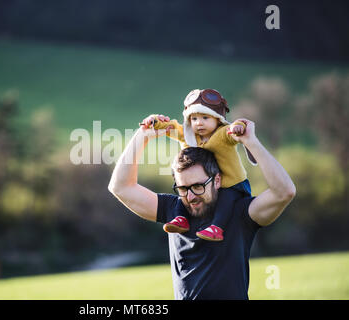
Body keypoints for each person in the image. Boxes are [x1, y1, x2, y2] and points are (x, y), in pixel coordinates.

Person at [108, 117, 295, 300]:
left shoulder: (240, 212)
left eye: (198, 186)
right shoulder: (173, 210)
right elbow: (121, 187)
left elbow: (284, 192)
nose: (190, 197)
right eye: (183, 188)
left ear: (217, 180)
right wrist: (143, 135)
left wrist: (250, 141)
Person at [140, 88, 257, 241]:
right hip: (204, 185)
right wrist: (154, 120)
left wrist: (239, 126)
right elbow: (172, 127)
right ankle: (181, 219)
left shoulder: (222, 134)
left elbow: (236, 126)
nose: (199, 123)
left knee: (225, 200)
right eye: (194, 119)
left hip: (232, 184)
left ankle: (217, 227)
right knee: (185, 192)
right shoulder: (189, 136)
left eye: (205, 118)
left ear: (217, 119)